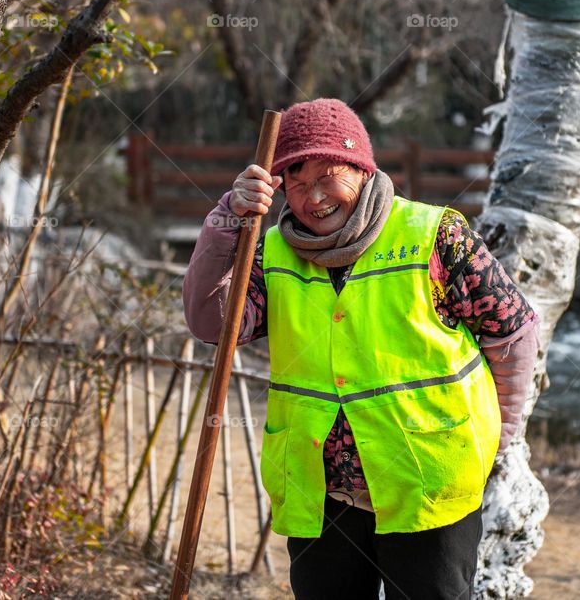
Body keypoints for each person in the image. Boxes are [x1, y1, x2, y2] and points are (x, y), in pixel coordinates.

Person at [182, 98, 540, 599]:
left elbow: (513, 334)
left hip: (429, 484)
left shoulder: (436, 236)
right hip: (322, 493)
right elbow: (211, 323)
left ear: (361, 168)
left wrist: (498, 437)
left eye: (328, 176)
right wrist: (228, 220)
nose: (314, 198)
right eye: (298, 184)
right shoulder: (272, 253)